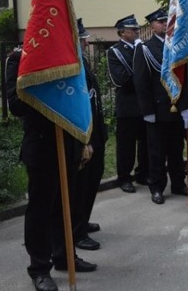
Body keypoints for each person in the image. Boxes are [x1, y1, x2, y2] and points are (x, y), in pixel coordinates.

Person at [6, 48, 96, 291]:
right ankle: (39, 268)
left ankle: (65, 257)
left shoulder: (69, 55)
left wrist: (84, 141)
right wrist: (43, 79)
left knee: (67, 204)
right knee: (41, 210)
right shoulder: (19, 58)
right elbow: (15, 105)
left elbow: (79, 99)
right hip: (42, 146)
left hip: (69, 145)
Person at [133, 8, 188, 205]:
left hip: (175, 108)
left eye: (167, 20)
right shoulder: (145, 49)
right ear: (152, 25)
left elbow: (183, 80)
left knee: (176, 149)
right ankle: (156, 187)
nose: (165, 24)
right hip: (157, 111)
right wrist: (147, 111)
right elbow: (141, 82)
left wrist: (185, 106)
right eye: (160, 21)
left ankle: (178, 183)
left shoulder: (176, 47)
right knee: (156, 152)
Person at [73, 19, 108, 251]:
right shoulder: (70, 65)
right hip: (83, 138)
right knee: (80, 186)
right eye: (81, 38)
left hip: (96, 134)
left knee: (92, 181)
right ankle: (76, 232)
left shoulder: (81, 60)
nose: (86, 42)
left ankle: (83, 221)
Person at [107, 15, 148, 193]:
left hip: (144, 104)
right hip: (128, 105)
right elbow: (121, 79)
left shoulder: (142, 48)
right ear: (122, 32)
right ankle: (124, 177)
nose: (137, 31)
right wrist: (142, 79)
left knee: (145, 143)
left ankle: (142, 173)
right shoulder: (115, 51)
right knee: (126, 145)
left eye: (137, 29)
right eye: (133, 29)